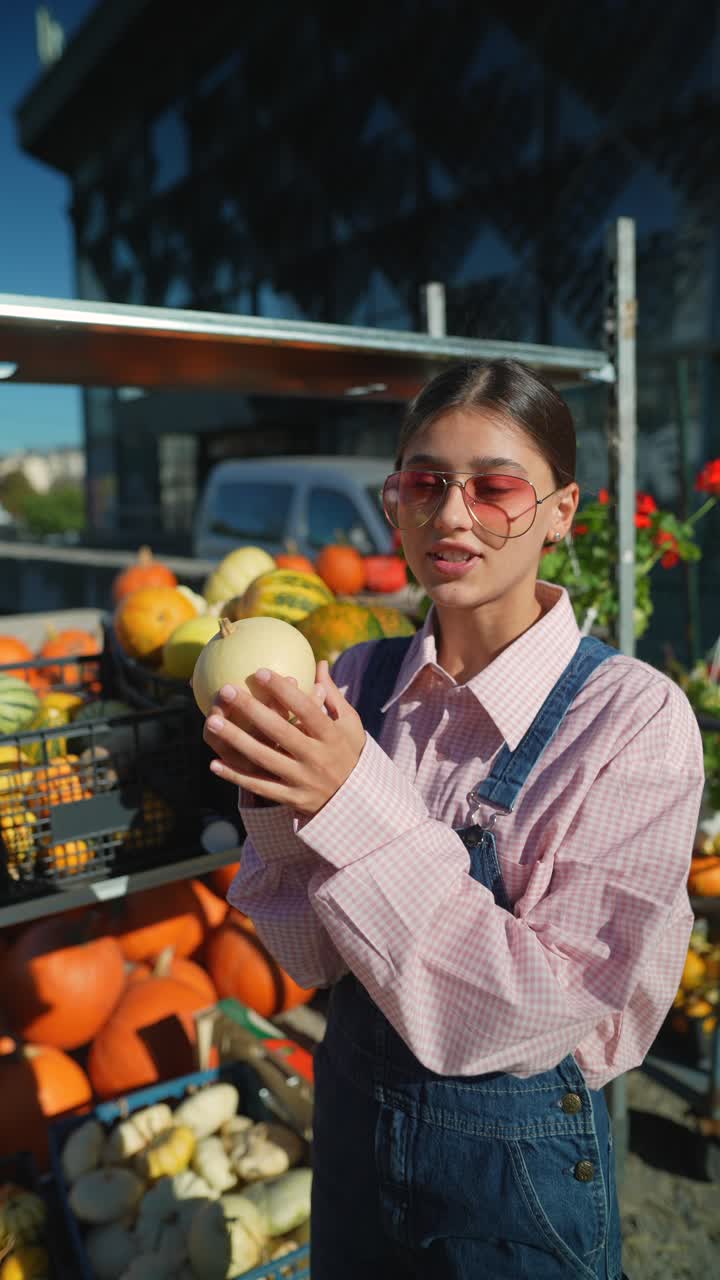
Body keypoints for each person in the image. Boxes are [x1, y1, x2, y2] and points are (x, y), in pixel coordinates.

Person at [203, 358, 704, 1280]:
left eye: (496, 486)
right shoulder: (353, 683)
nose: (453, 514)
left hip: (513, 1194)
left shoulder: (633, 718)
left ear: (561, 511)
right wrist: (278, 791)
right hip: (352, 1148)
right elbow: (311, 958)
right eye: (424, 483)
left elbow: (540, 1012)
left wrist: (351, 801)